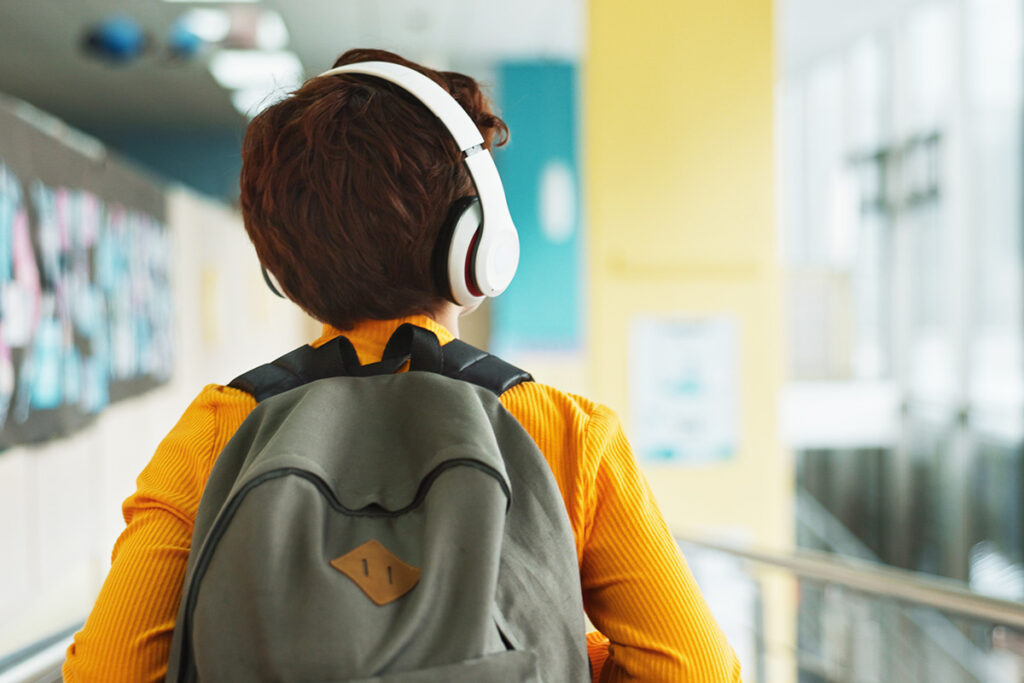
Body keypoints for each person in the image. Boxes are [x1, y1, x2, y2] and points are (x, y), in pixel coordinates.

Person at [63, 48, 741, 682]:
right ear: (476, 245)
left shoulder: (220, 430)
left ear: (282, 268)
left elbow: (108, 669)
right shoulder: (565, 431)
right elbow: (695, 669)